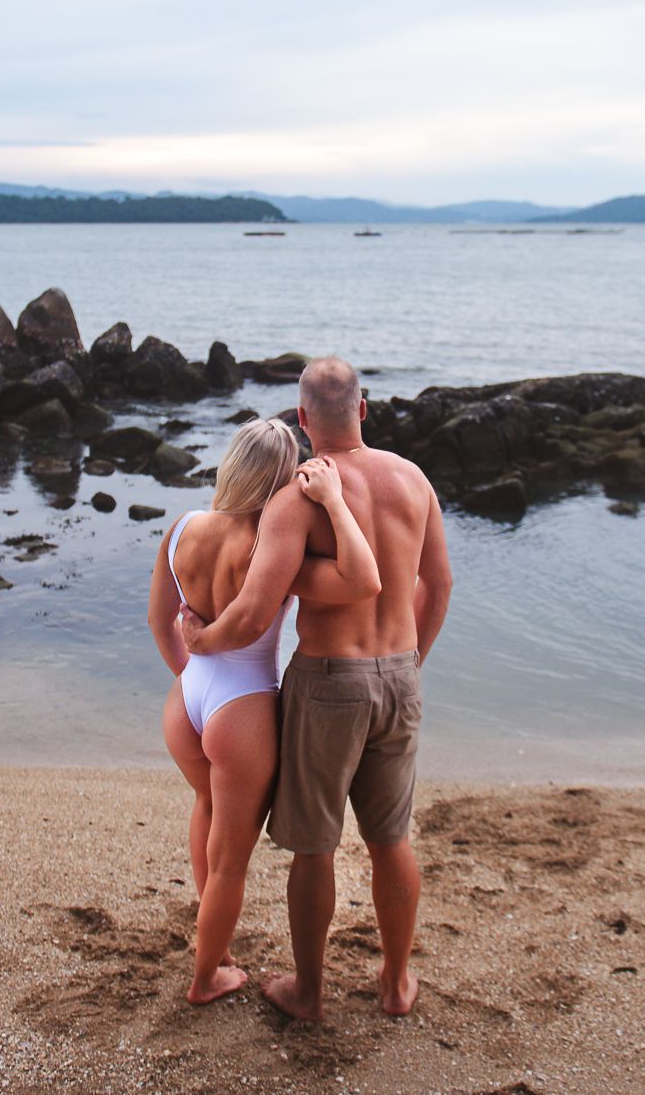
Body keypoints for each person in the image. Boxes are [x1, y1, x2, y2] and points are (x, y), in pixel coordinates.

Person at [181, 357, 452, 1020]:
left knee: (315, 845)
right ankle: (394, 983)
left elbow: (252, 608)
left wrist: (201, 641)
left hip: (329, 681)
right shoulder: (414, 480)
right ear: (364, 408)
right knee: (391, 838)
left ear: (303, 419)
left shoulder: (296, 496)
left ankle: (308, 992)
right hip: (400, 671)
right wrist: (410, 660)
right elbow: (437, 583)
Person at [147, 417, 383, 1006]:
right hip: (242, 705)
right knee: (231, 859)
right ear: (280, 480)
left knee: (207, 812)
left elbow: (159, 622)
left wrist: (193, 673)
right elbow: (357, 583)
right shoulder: (269, 547)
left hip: (187, 701)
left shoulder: (182, 529)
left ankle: (218, 949)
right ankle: (206, 978)